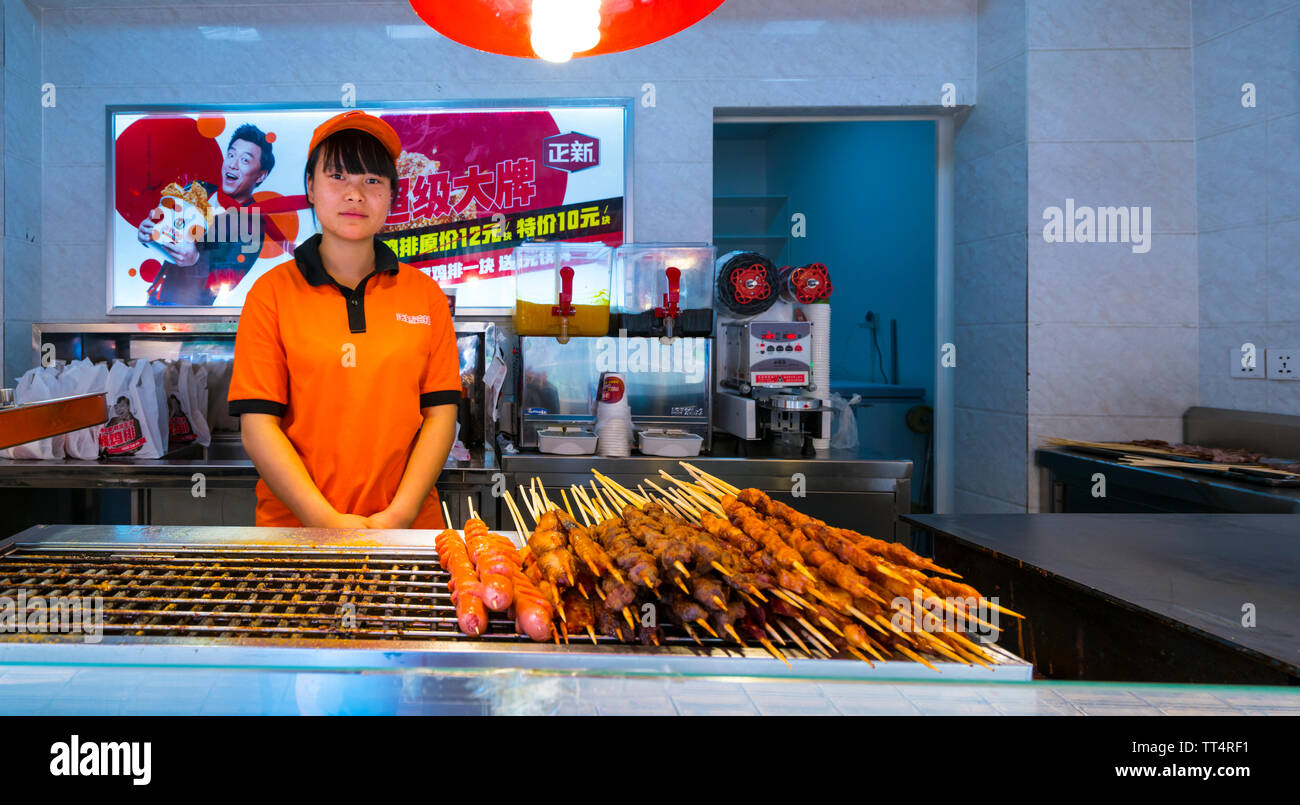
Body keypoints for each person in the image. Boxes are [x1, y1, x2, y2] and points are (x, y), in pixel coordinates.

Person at [227, 110, 461, 529]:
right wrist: (325, 521)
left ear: (392, 195)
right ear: (310, 188)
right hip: (297, 533)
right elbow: (258, 426)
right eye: (338, 176)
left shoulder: (425, 295)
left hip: (407, 531)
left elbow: (440, 416)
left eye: (372, 181)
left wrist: (400, 514)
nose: (355, 194)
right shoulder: (271, 294)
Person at [138, 123, 287, 306]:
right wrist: (150, 233)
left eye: (245, 160)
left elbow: (229, 280)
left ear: (261, 176)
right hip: (154, 299)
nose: (232, 164)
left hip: (190, 315)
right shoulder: (198, 188)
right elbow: (167, 228)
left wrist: (196, 259)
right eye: (231, 155)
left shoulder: (253, 223)